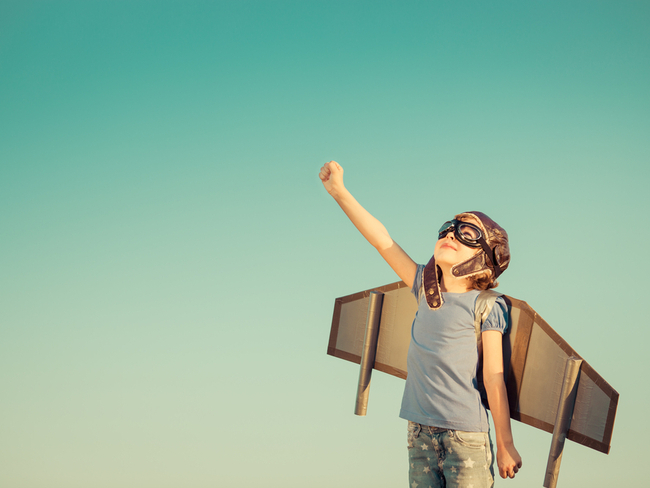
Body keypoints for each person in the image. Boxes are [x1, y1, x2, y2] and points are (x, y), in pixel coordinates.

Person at [319, 161, 522, 487]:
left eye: (466, 234)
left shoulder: (486, 305)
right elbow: (382, 240)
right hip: (418, 430)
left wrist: (506, 442)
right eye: (447, 228)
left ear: (484, 256)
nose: (450, 235)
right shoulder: (424, 289)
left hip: (465, 436)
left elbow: (494, 377)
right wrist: (340, 193)